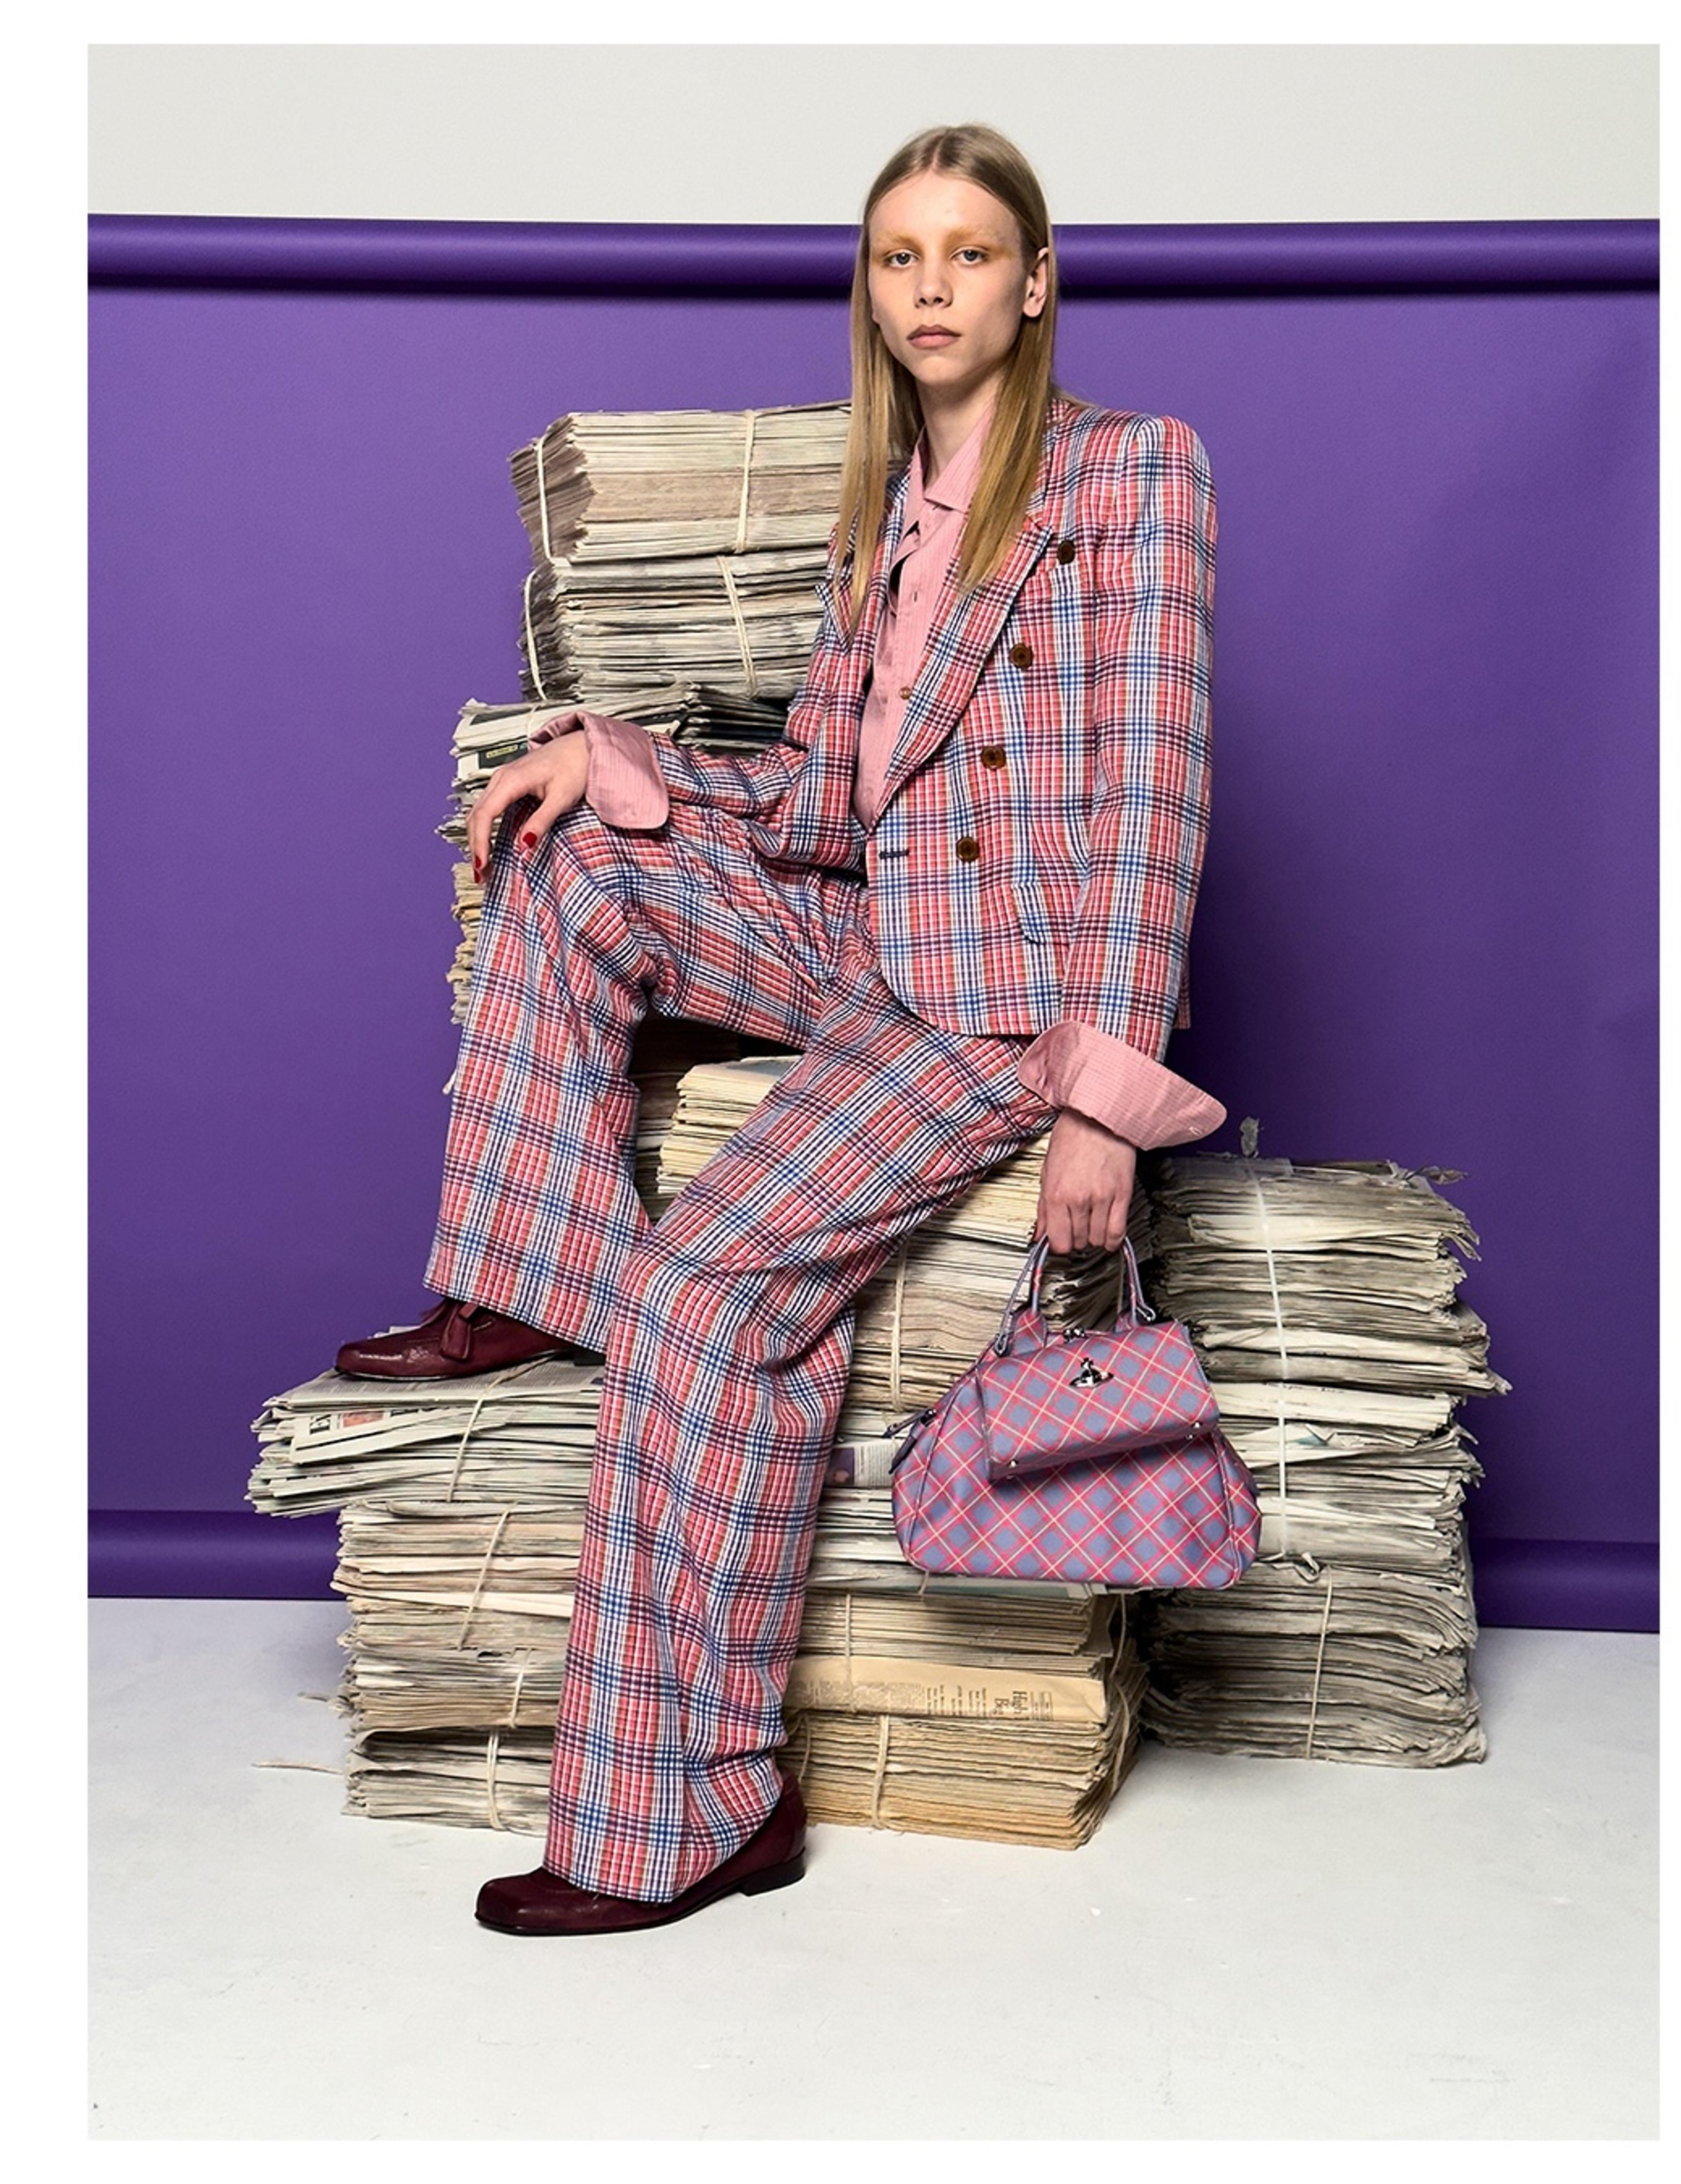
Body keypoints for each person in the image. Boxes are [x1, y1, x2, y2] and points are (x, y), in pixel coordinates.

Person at [334, 122, 1224, 1934]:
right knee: (577, 852)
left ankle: (694, 1806)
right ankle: (530, 1279)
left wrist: (1105, 1102)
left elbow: (1154, 792)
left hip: (998, 1002)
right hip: (871, 936)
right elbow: (824, 803)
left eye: (971, 253)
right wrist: (617, 757)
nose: (933, 288)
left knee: (704, 1302)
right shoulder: (881, 507)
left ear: (1035, 284)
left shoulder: (1134, 470)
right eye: (900, 256)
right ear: (870, 288)